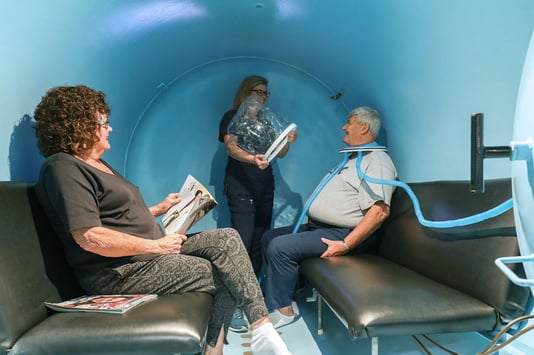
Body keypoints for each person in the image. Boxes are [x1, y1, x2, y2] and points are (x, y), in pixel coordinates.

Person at [33, 85, 292, 355]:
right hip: (119, 271)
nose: (110, 129)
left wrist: (158, 209)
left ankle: (261, 327)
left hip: (147, 253)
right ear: (80, 124)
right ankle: (216, 350)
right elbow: (89, 236)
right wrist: (156, 247)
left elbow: (114, 216)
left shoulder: (98, 164)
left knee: (227, 238)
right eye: (104, 123)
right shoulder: (64, 167)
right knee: (224, 272)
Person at [262, 106, 398, 329]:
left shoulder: (377, 161)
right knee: (269, 237)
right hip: (318, 228)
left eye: (349, 122)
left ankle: (284, 310)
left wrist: (345, 244)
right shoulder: (352, 158)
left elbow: (379, 212)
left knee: (279, 247)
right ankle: (286, 296)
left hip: (341, 233)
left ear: (364, 127)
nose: (344, 126)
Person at [218, 75, 297, 332]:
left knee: (260, 238)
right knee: (243, 239)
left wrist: (288, 140)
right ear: (246, 92)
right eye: (258, 91)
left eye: (266, 93)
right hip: (241, 185)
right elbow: (231, 148)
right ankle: (235, 302)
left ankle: (254, 298)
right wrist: (253, 160)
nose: (262, 97)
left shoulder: (266, 121)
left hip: (265, 186)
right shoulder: (232, 116)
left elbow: (280, 153)